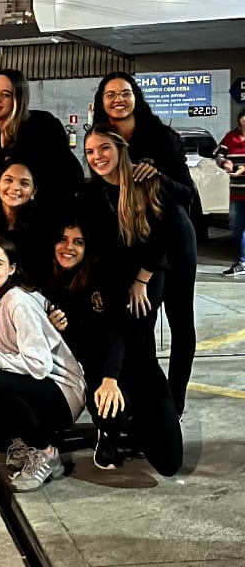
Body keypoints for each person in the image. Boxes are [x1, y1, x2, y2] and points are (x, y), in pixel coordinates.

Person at [92, 71, 198, 417]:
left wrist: (160, 178)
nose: (117, 100)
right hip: (133, 242)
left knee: (180, 321)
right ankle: (148, 399)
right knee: (140, 325)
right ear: (101, 101)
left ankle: (175, 401)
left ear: (136, 96)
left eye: (124, 93)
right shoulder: (100, 138)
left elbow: (188, 195)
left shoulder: (160, 137)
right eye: (110, 94)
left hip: (172, 238)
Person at [44, 217, 182, 477]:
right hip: (95, 368)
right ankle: (108, 433)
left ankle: (135, 424)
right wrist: (59, 329)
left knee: (169, 463)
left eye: (78, 242)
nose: (68, 247)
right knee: (112, 407)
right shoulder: (49, 283)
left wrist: (111, 377)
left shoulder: (102, 274)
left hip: (134, 363)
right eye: (62, 239)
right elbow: (74, 346)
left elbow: (117, 330)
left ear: (87, 248)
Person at [0, 233, 86, 493]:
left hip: (62, 392)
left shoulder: (16, 300)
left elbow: (39, 364)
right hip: (36, 387)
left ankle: (47, 453)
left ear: (12, 268)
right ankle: (24, 440)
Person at [78, 125, 174, 363]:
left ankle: (152, 395)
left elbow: (162, 237)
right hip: (111, 275)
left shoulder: (145, 182)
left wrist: (141, 282)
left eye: (104, 148)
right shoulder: (89, 194)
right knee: (115, 337)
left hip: (146, 272)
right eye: (90, 152)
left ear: (121, 149)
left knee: (138, 336)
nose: (97, 157)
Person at [0, 68, 83, 214]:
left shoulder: (42, 125)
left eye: (6, 95)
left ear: (18, 99)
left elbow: (71, 177)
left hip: (46, 217)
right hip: (8, 218)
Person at [0, 156, 51, 288]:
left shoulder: (42, 226)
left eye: (24, 183)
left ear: (33, 192)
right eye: (8, 180)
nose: (15, 187)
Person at [214, 106, 245, 276]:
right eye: (243, 117)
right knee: (238, 228)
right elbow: (218, 154)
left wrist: (243, 169)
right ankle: (242, 262)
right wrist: (224, 162)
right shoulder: (230, 137)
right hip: (237, 192)